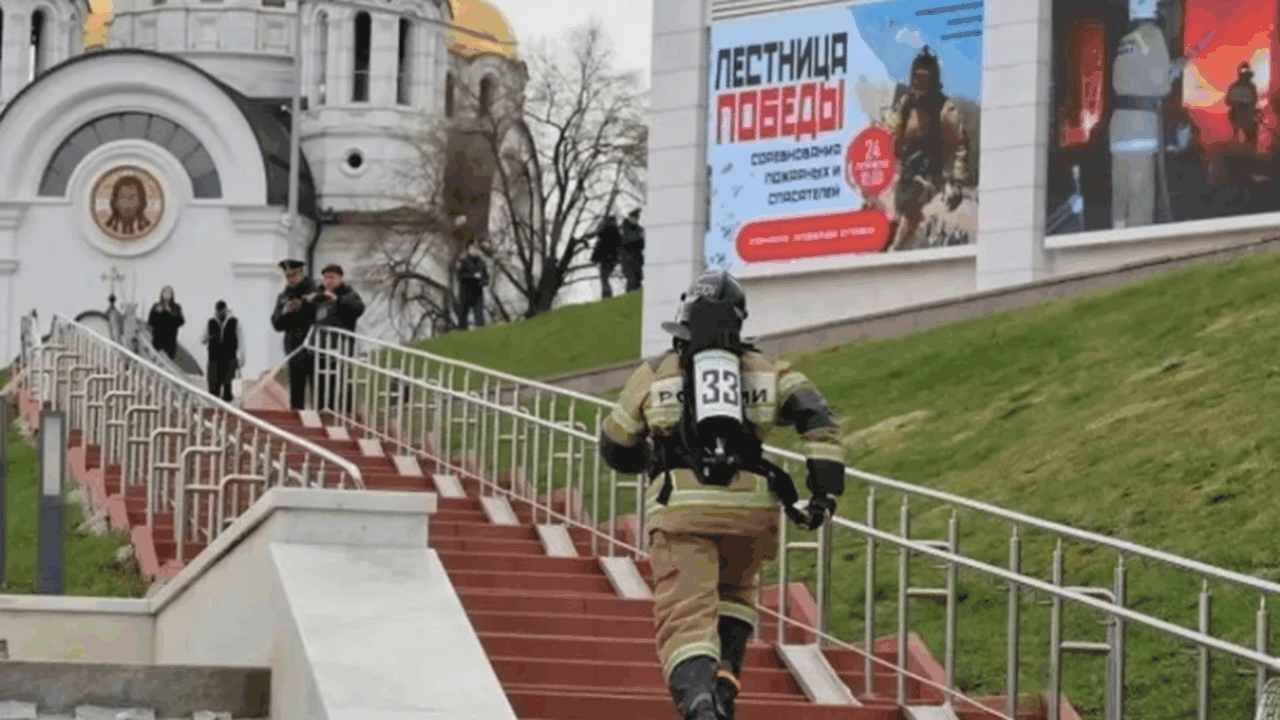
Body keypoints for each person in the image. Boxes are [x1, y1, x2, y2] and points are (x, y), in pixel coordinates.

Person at [597, 271, 846, 720]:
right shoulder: (769, 370)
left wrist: (654, 462)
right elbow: (818, 418)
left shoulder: (655, 372)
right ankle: (724, 691)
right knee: (734, 598)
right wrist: (824, 494)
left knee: (686, 618)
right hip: (751, 511)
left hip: (682, 513)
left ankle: (699, 706)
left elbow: (615, 445)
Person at [886, 46, 971, 251]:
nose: (920, 84)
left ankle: (894, 255)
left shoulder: (944, 109)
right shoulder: (906, 103)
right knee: (888, 219)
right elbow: (891, 131)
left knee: (907, 222)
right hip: (903, 173)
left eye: (925, 79)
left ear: (933, 80)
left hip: (929, 178)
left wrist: (957, 182)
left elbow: (960, 147)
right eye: (917, 79)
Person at [1108, 0, 1172, 229]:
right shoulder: (1153, 35)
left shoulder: (1127, 40)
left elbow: (1134, 77)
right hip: (1140, 131)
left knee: (1120, 200)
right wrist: (1171, 75)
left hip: (1118, 130)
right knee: (1140, 204)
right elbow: (1161, 86)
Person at [310, 263, 365, 413]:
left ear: (340, 279)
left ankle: (343, 412)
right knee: (320, 383)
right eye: (325, 278)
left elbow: (358, 308)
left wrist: (337, 300)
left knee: (340, 382)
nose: (328, 281)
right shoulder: (319, 297)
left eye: (332, 278)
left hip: (340, 348)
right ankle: (321, 409)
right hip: (319, 348)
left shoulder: (349, 294)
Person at [271, 259, 318, 410]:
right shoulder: (284, 296)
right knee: (296, 389)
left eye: (293, 275)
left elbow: (320, 314)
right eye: (287, 276)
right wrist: (285, 311)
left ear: (302, 273)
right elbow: (276, 324)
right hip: (293, 347)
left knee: (317, 387)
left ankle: (320, 418)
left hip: (314, 347)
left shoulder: (314, 292)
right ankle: (297, 414)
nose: (290, 279)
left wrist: (304, 305)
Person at [203, 300, 243, 402]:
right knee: (213, 388)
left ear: (226, 309)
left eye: (222, 310)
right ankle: (214, 411)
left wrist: (241, 358)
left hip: (229, 358)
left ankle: (226, 410)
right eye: (218, 310)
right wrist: (209, 337)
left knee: (227, 387)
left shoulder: (234, 322)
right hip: (214, 359)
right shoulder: (211, 322)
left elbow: (241, 341)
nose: (220, 313)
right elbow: (203, 339)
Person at [453, 243, 489, 330]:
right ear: (468, 250)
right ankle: (462, 336)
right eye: (473, 248)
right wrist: (473, 276)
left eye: (476, 248)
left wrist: (482, 281)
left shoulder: (482, 263)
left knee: (479, 317)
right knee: (463, 318)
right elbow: (459, 276)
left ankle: (483, 336)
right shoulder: (463, 261)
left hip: (478, 293)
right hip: (465, 293)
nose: (475, 250)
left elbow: (486, 278)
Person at [588, 214, 623, 298]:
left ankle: (606, 295)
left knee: (604, 278)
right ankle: (607, 295)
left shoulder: (603, 233)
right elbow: (621, 246)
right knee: (605, 277)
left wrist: (594, 259)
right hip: (614, 259)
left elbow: (599, 247)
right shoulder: (617, 233)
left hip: (605, 259)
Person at [147, 285, 185, 359]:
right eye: (165, 292)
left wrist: (170, 312)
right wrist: (156, 312)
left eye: (169, 293)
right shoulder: (156, 306)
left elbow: (181, 321)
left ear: (172, 295)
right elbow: (150, 322)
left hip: (170, 342)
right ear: (161, 294)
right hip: (157, 340)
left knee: (167, 362)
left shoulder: (176, 307)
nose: (167, 295)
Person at [619, 208, 645, 293]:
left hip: (637, 259)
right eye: (634, 218)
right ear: (630, 218)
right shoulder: (625, 228)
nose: (636, 220)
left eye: (637, 218)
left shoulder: (639, 229)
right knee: (631, 281)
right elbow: (627, 241)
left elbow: (642, 245)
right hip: (627, 259)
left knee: (638, 280)